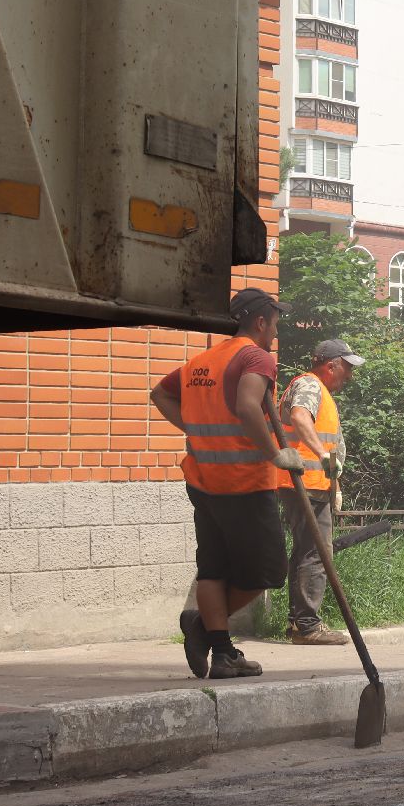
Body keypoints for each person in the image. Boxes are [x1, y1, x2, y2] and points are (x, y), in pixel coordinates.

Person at [150, 289, 304, 680]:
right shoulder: (256, 357)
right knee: (270, 572)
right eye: (275, 323)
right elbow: (248, 407)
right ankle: (203, 627)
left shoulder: (202, 361)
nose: (275, 332)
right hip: (244, 483)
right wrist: (275, 454)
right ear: (260, 322)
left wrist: (195, 429)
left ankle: (222, 653)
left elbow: (159, 394)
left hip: (203, 481)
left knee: (213, 568)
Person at [276, 338, 365, 646]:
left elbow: (328, 444)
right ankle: (307, 626)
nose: (350, 375)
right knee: (316, 552)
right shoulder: (310, 386)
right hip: (305, 483)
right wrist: (324, 457)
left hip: (313, 484)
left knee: (307, 550)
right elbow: (300, 417)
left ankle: (298, 623)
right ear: (331, 365)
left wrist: (334, 485)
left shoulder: (318, 390)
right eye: (347, 368)